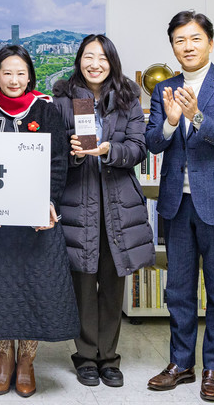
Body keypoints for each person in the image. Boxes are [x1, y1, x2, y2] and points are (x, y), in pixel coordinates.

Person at [145, 11, 214, 402]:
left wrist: (197, 116)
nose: (187, 47)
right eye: (179, 40)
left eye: (194, 39)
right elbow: (153, 142)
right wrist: (172, 122)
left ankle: (213, 368)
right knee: (178, 290)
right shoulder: (164, 88)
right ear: (172, 46)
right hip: (177, 202)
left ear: (210, 42)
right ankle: (181, 363)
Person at [0, 44, 78, 398]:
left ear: (30, 77)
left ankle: (27, 362)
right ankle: (4, 361)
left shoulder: (46, 112)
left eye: (20, 73)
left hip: (36, 222)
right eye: (7, 72)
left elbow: (58, 162)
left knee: (34, 291)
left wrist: (48, 203)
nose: (14, 80)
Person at [52, 34, 155, 388]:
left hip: (118, 204)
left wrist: (110, 150)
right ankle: (85, 357)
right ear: (79, 60)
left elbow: (139, 148)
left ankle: (109, 358)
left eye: (102, 58)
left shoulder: (128, 98)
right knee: (82, 283)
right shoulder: (63, 98)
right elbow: (52, 153)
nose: (95, 64)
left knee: (112, 284)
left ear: (112, 62)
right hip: (77, 202)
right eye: (88, 57)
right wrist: (73, 153)